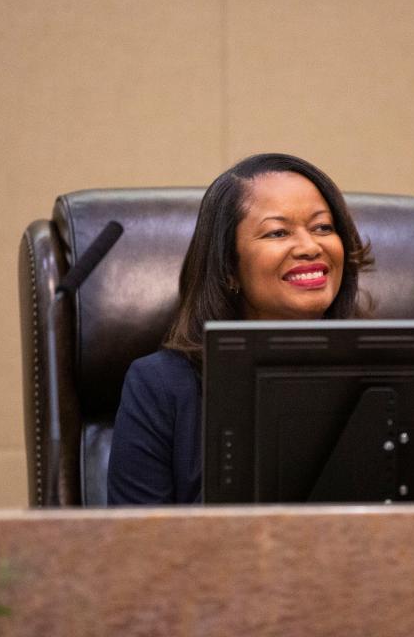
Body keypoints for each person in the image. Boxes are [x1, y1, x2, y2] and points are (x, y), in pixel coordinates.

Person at [107, 153, 372, 504]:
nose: (311, 247)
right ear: (229, 269)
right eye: (278, 232)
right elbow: (136, 546)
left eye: (323, 227)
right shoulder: (160, 387)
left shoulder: (384, 373)